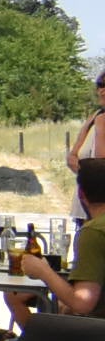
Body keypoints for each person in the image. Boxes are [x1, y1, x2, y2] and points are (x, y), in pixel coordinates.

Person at [13, 159, 105, 323]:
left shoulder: (93, 232)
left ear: (81, 194)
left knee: (16, 299)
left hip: (96, 336)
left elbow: (82, 303)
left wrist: (43, 271)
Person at [71, 72, 105, 227]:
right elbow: (72, 156)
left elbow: (100, 164)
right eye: (100, 85)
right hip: (84, 204)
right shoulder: (96, 116)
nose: (102, 91)